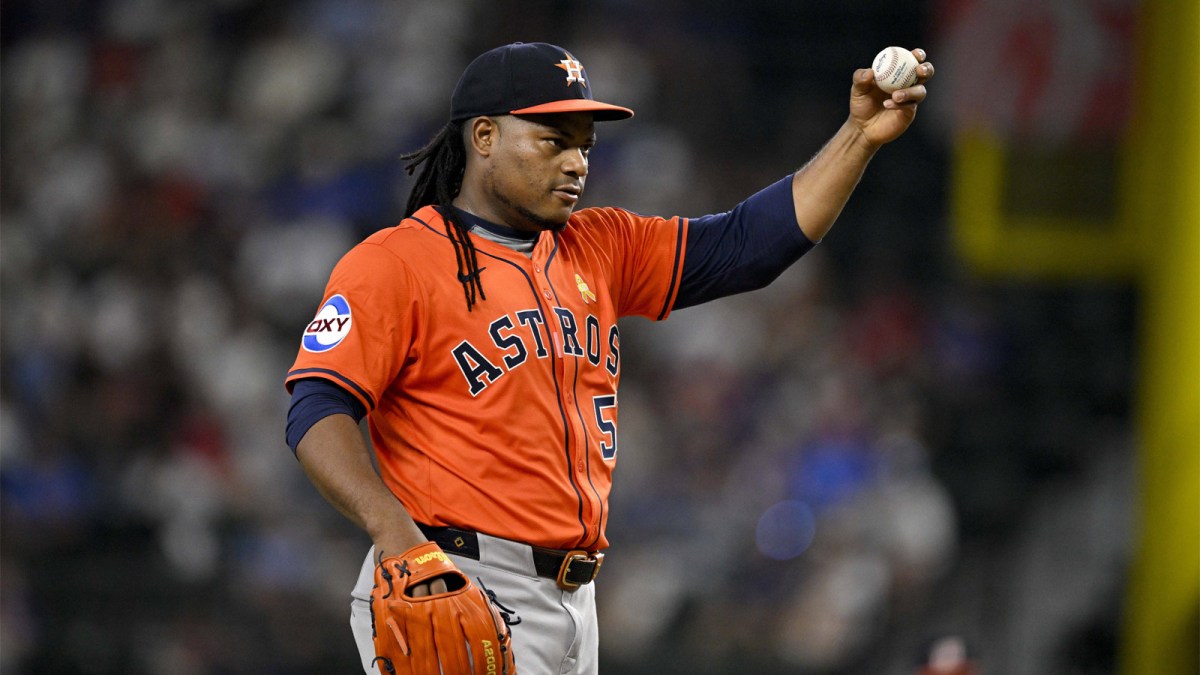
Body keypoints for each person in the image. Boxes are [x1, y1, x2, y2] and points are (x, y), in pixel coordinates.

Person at [284, 40, 934, 674]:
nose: (576, 164)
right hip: (456, 577)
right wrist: (396, 535)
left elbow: (749, 246)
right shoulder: (395, 263)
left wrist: (858, 137)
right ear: (483, 137)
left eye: (584, 147)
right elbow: (316, 410)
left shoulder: (602, 245)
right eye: (553, 141)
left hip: (573, 598)